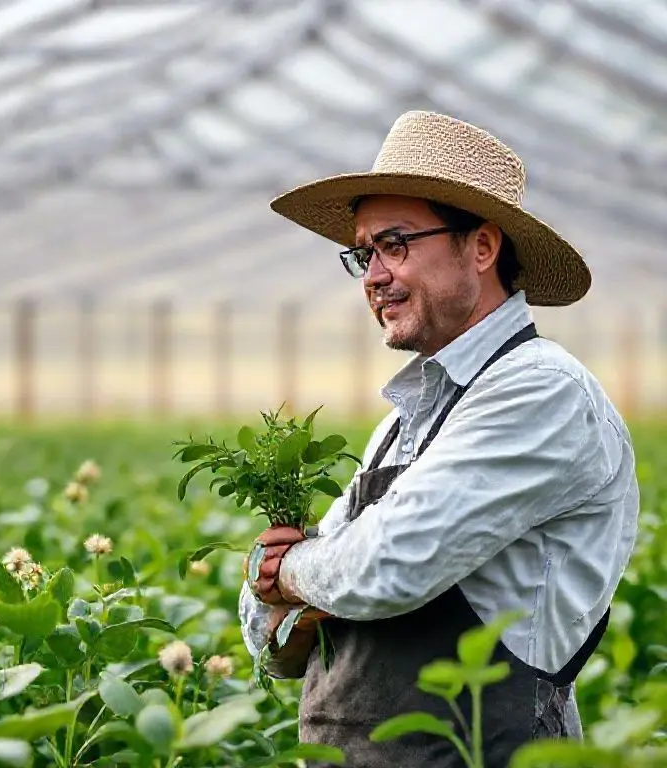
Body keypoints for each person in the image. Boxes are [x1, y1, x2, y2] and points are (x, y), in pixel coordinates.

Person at [238, 111, 639, 767]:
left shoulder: (542, 392)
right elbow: (274, 644)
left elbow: (390, 563)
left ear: (481, 248)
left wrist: (287, 571)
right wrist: (285, 590)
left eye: (395, 244)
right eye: (363, 254)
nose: (372, 275)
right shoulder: (402, 422)